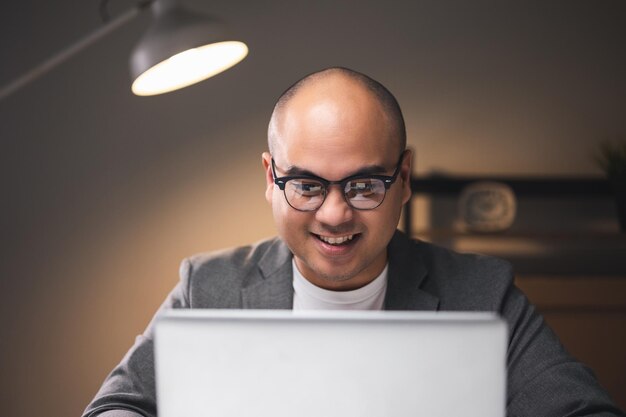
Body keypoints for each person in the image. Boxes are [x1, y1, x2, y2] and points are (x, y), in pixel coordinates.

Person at [83, 67, 624, 417]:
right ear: (270, 178)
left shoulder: (483, 292)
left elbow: (584, 411)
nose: (335, 213)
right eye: (307, 185)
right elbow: (116, 407)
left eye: (365, 185)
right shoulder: (207, 287)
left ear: (404, 178)